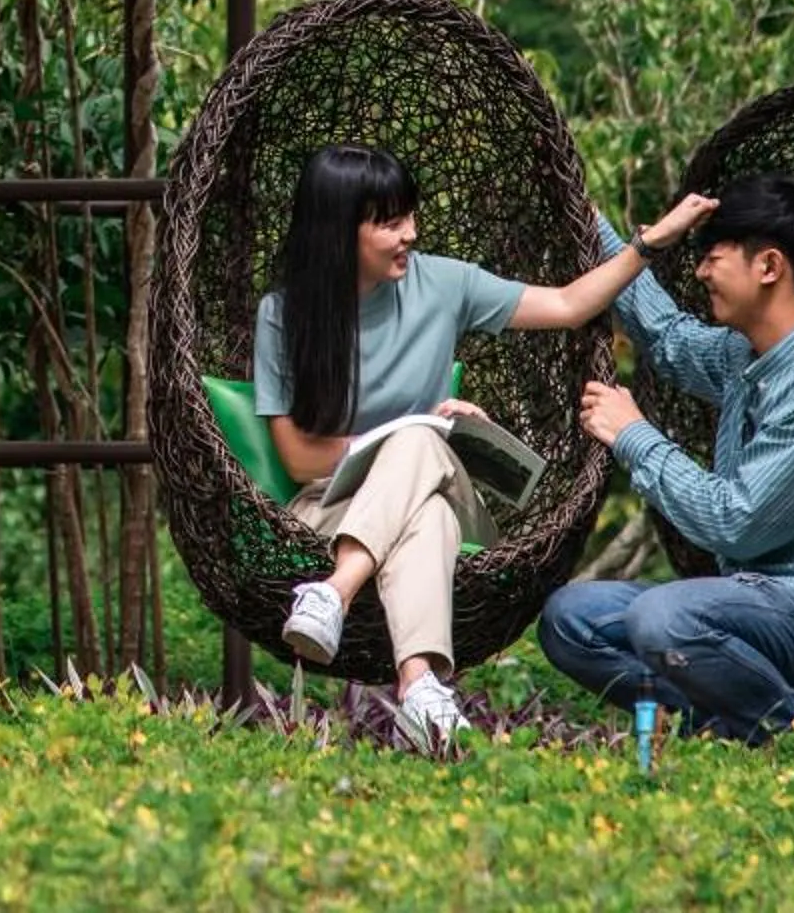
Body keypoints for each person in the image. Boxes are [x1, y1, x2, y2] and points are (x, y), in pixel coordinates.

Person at [254, 144, 701, 750]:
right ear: (337, 231)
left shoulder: (442, 283)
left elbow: (569, 306)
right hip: (326, 511)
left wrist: (647, 245)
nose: (410, 234)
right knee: (423, 499)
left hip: (449, 487)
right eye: (389, 222)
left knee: (422, 447)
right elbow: (300, 462)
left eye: (409, 216)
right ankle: (422, 692)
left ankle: (334, 594)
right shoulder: (285, 316)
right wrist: (395, 437)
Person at [538, 172, 794, 743]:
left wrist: (633, 434)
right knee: (571, 620)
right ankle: (726, 720)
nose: (699, 272)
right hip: (759, 611)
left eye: (713, 257)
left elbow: (735, 522)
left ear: (768, 267)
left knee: (663, 620)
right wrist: (605, 232)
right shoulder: (750, 355)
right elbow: (668, 339)